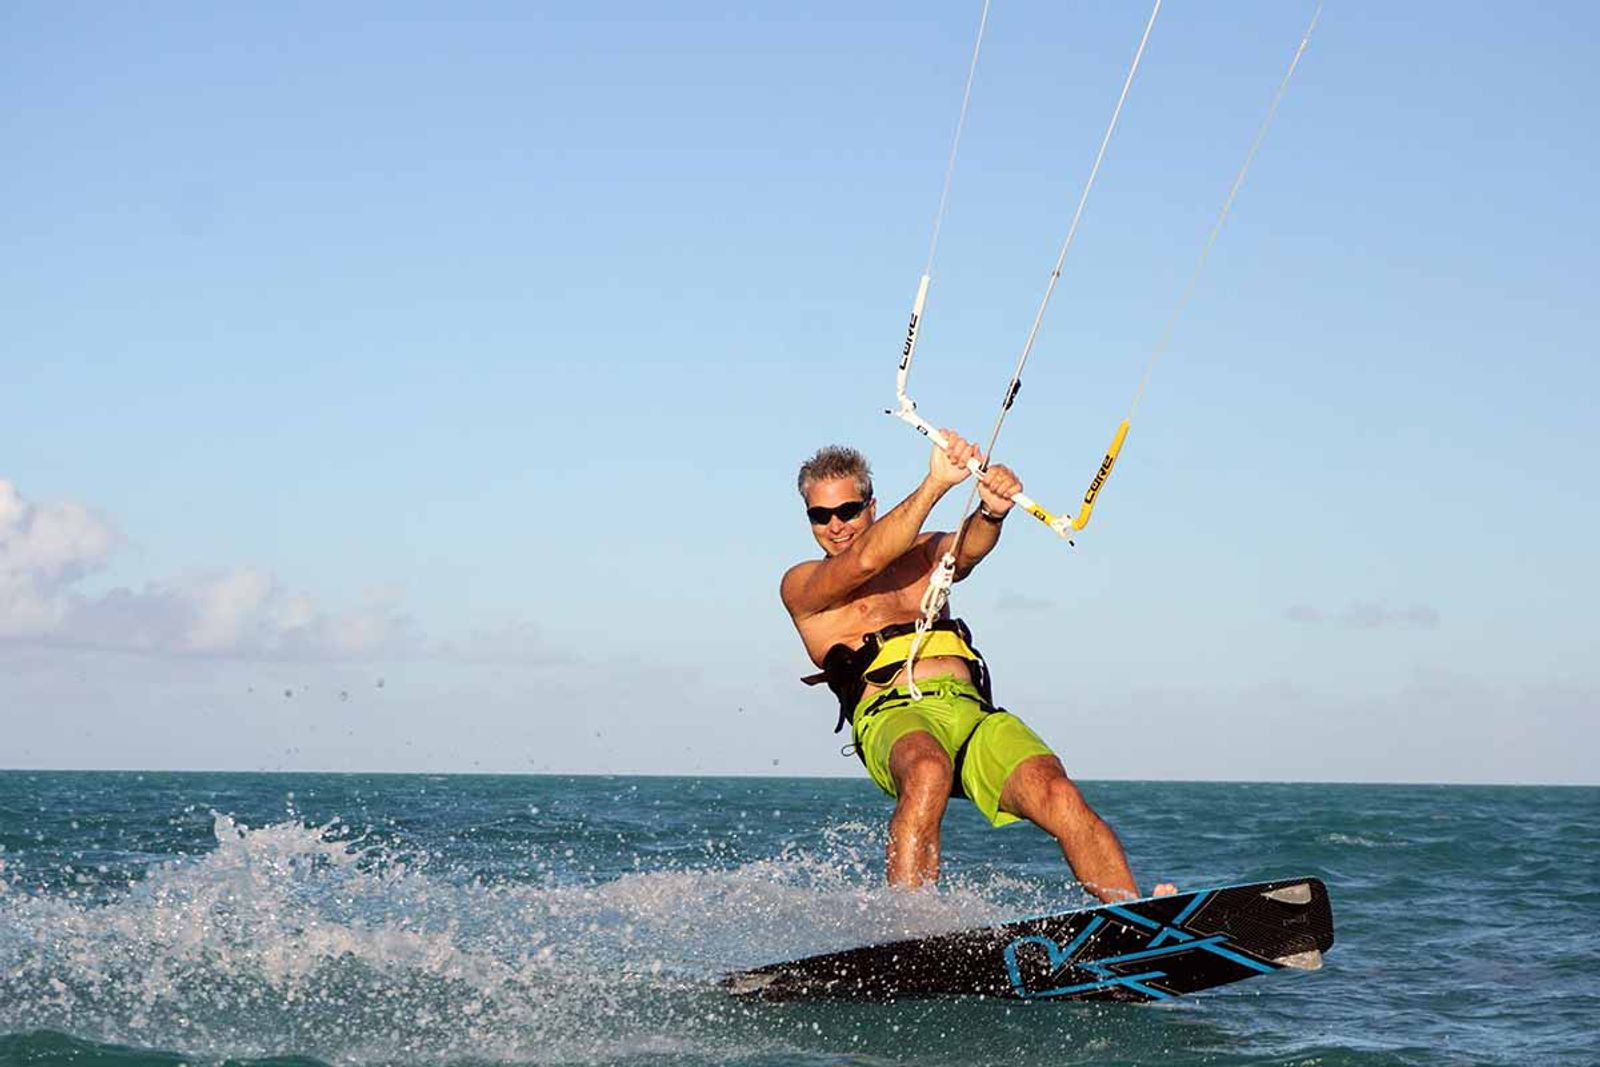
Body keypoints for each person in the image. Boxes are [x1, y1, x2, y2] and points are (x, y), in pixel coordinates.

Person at [781, 433, 1174, 904]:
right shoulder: (803, 585)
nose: (835, 525)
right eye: (819, 515)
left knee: (1057, 792)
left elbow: (965, 550)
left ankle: (1133, 919)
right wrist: (935, 484)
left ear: (871, 505)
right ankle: (909, 927)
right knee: (927, 769)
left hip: (971, 713)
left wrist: (991, 509)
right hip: (892, 715)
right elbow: (865, 560)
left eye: (847, 510)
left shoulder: (920, 555)